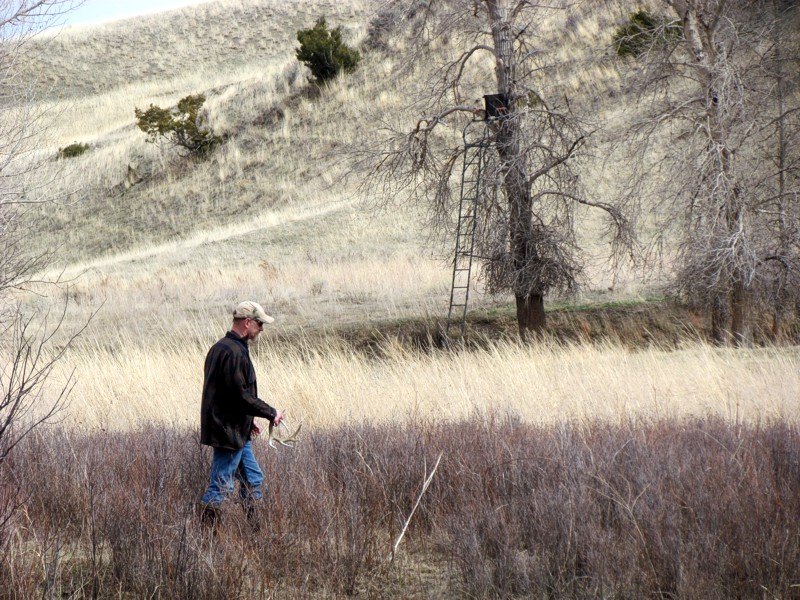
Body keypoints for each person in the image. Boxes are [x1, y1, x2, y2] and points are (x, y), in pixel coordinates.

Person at [199, 301, 284, 528]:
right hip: (228, 432)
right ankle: (206, 541)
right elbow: (240, 395)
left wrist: (249, 420)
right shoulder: (233, 352)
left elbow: (225, 394)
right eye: (259, 323)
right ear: (247, 323)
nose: (261, 329)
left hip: (235, 429)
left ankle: (255, 533)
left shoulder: (222, 348)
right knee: (220, 486)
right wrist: (270, 412)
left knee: (253, 480)